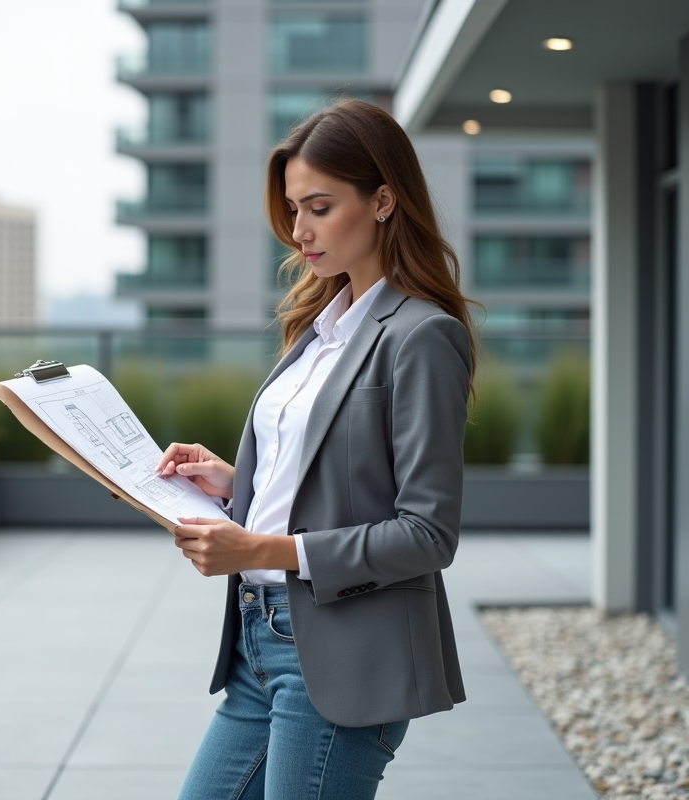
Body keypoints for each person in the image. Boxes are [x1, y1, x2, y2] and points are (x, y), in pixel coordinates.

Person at [154, 98, 478, 800]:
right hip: (258, 642)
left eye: (319, 207)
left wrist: (261, 550)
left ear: (384, 200)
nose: (299, 231)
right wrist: (236, 485)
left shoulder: (422, 337)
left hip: (344, 654)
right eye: (293, 209)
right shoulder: (317, 330)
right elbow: (330, 482)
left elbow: (427, 533)